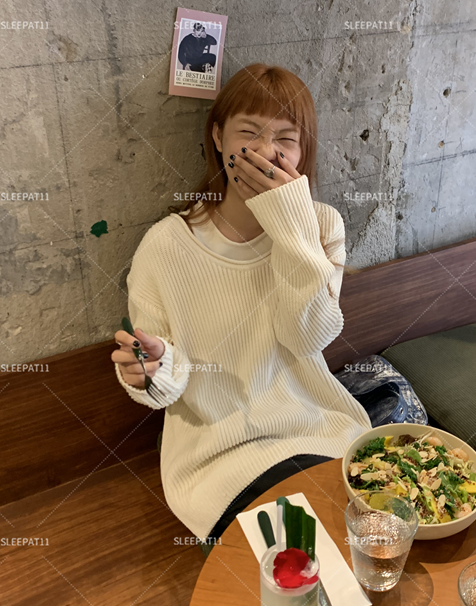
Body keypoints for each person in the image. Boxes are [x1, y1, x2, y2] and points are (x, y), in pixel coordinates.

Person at [112, 63, 371, 545]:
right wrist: (154, 371)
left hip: (319, 430)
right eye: (248, 133)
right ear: (217, 137)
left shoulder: (320, 226)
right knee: (304, 561)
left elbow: (306, 336)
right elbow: (165, 381)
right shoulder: (166, 246)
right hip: (219, 457)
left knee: (373, 547)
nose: (267, 152)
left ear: (304, 151)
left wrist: (289, 222)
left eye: (286, 139)